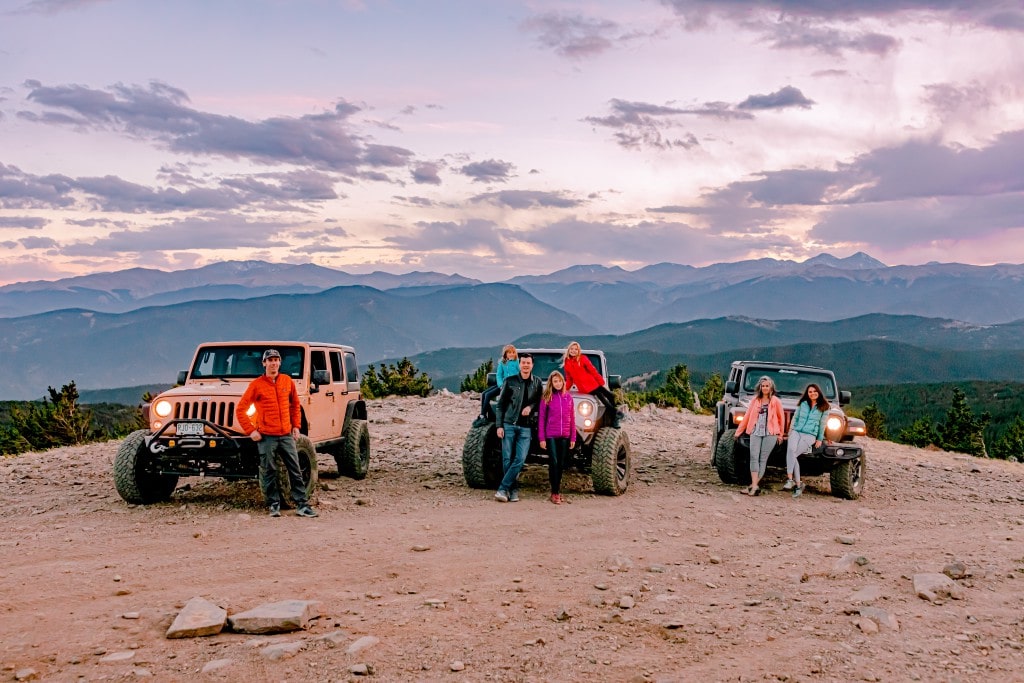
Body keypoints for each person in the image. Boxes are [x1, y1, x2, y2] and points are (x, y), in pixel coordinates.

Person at [235, 349, 318, 518]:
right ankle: (273, 505)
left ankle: (302, 504)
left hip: (286, 434)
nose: (273, 363)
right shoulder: (256, 385)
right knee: (269, 470)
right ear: (264, 363)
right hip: (266, 436)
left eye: (276, 360)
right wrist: (251, 431)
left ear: (280, 362)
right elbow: (240, 409)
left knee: (295, 469)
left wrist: (296, 426)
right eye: (270, 360)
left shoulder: (287, 381)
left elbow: (295, 405)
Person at [494, 353, 542, 503]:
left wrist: (530, 407)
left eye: (528, 362)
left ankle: (503, 488)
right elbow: (500, 405)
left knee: (520, 459)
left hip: (526, 427)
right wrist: (499, 426)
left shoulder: (537, 382)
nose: (526, 365)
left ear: (532, 365)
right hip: (509, 424)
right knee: (507, 458)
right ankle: (513, 490)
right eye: (523, 363)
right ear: (519, 364)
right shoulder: (510, 381)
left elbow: (539, 402)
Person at [783, 383, 830, 498]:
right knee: (791, 450)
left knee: (793, 454)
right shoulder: (803, 404)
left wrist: (819, 439)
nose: (812, 393)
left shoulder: (824, 406)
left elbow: (822, 424)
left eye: (814, 391)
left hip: (810, 435)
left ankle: (798, 485)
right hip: (796, 431)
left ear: (818, 392)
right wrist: (790, 432)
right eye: (810, 392)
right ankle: (790, 480)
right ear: (807, 394)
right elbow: (795, 418)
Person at [741, 376, 784, 496]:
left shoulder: (776, 401)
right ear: (760, 387)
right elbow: (747, 417)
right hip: (755, 431)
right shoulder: (755, 400)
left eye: (767, 386)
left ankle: (753, 486)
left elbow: (781, 419)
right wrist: (739, 431)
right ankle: (754, 486)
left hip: (770, 433)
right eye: (763, 386)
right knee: (753, 456)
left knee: (762, 459)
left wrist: (780, 434)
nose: (765, 388)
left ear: (771, 388)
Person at [538, 370, 576, 505]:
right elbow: (541, 419)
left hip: (565, 436)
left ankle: (557, 491)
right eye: (555, 381)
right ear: (551, 383)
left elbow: (572, 418)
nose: (558, 383)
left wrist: (573, 438)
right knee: (553, 463)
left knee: (561, 464)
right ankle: (554, 493)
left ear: (563, 382)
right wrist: (542, 438)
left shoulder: (568, 397)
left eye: (560, 381)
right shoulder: (547, 397)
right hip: (551, 435)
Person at [562, 341, 620, 428]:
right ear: (568, 349)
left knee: (610, 396)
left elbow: (593, 371)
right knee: (604, 399)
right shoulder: (567, 363)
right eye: (572, 349)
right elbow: (569, 379)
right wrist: (565, 389)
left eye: (576, 349)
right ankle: (616, 415)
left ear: (578, 351)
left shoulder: (582, 358)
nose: (573, 351)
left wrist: (602, 383)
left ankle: (615, 415)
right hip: (585, 388)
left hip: (593, 384)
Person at [476, 344, 519, 426]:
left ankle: (483, 415)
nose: (511, 354)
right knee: (484, 394)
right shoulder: (502, 363)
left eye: (513, 352)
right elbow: (499, 375)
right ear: (505, 354)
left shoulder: (517, 362)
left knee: (488, 395)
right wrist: (501, 385)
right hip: (502, 385)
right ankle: (484, 415)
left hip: (511, 386)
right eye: (509, 352)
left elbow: (521, 373)